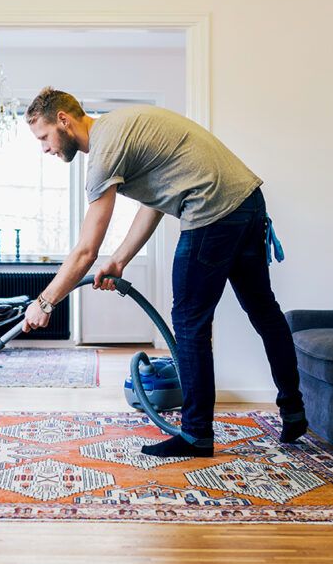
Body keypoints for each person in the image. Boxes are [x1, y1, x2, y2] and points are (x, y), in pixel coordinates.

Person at [20, 87, 307, 457]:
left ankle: (196, 434)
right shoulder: (122, 129)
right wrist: (121, 258)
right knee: (264, 311)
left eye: (43, 137)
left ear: (63, 120)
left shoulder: (105, 150)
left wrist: (44, 302)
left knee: (189, 321)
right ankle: (294, 409)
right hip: (247, 201)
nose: (45, 148)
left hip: (212, 210)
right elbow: (153, 204)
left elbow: (86, 251)